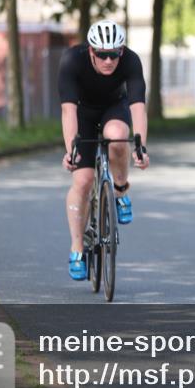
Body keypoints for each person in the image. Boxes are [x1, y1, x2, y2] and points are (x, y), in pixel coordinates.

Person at [59, 19, 150, 281]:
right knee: (84, 180)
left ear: (121, 51)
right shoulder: (71, 60)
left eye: (113, 54)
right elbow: (68, 110)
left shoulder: (131, 61)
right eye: (102, 55)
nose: (108, 60)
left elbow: (138, 107)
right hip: (82, 114)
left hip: (114, 108)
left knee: (118, 136)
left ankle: (120, 190)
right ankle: (77, 249)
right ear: (91, 51)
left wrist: (141, 147)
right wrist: (71, 150)